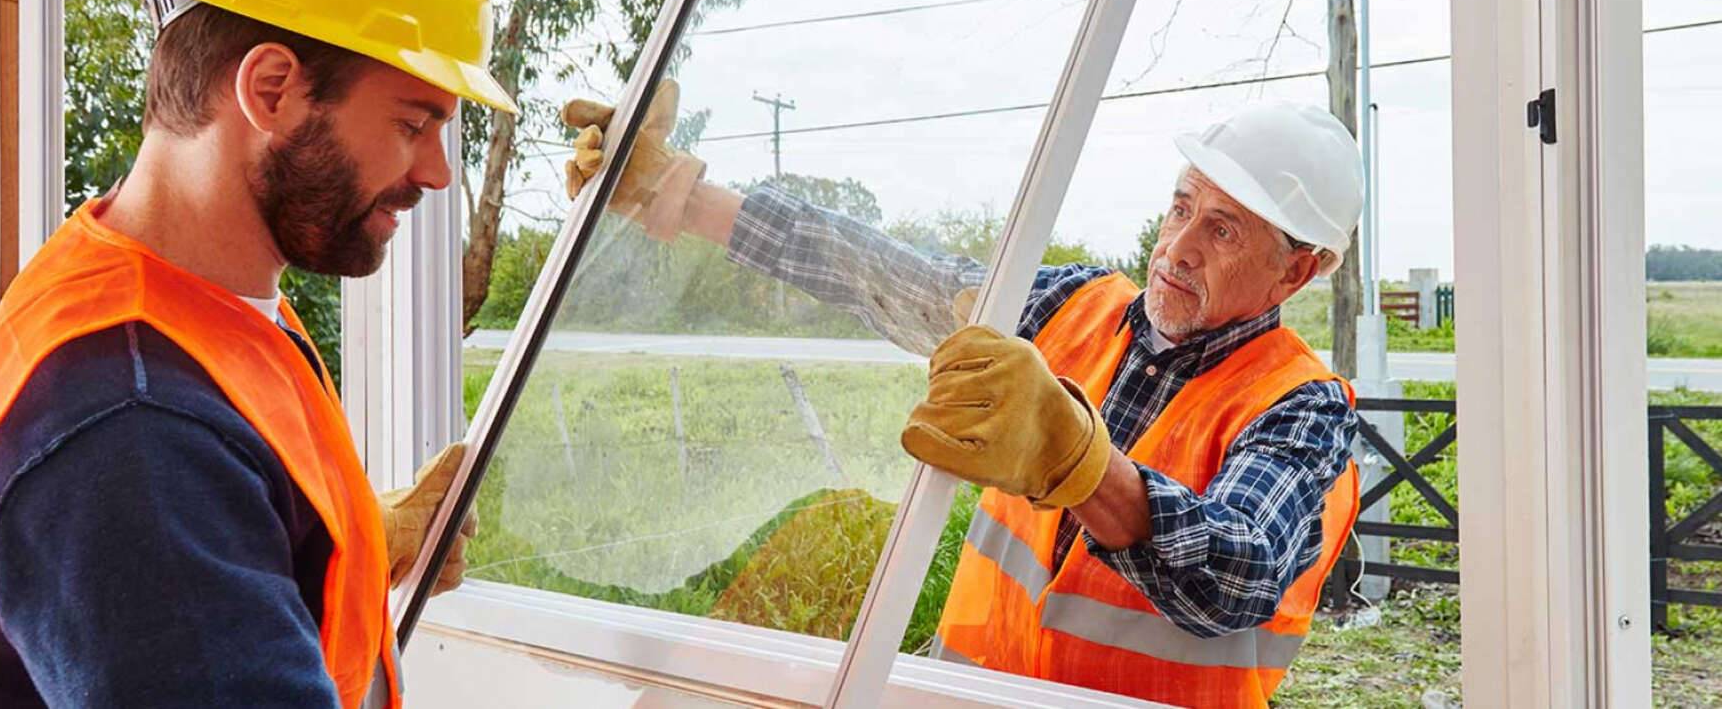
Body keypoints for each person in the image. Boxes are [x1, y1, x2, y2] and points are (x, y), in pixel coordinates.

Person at [0, 0, 514, 708]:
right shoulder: (129, 434)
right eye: (412, 123)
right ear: (270, 89)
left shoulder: (183, 297)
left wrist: (341, 539)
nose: (436, 170)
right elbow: (151, 519)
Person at [563, 82, 1364, 708]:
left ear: (1296, 271)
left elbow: (1238, 573)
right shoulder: (1071, 311)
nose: (1177, 249)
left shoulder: (1302, 407)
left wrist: (1081, 462)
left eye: (1222, 230)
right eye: (1181, 208)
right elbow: (885, 273)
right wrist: (682, 197)